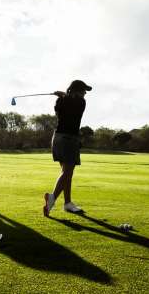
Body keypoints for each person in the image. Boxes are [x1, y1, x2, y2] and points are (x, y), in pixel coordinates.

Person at [43, 80, 92, 217]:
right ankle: (52, 198)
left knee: (67, 173)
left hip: (57, 138)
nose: (85, 93)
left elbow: (67, 106)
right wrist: (64, 96)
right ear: (75, 91)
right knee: (67, 172)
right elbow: (71, 106)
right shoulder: (78, 102)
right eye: (83, 91)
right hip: (69, 139)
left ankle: (68, 203)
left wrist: (63, 96)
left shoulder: (62, 101)